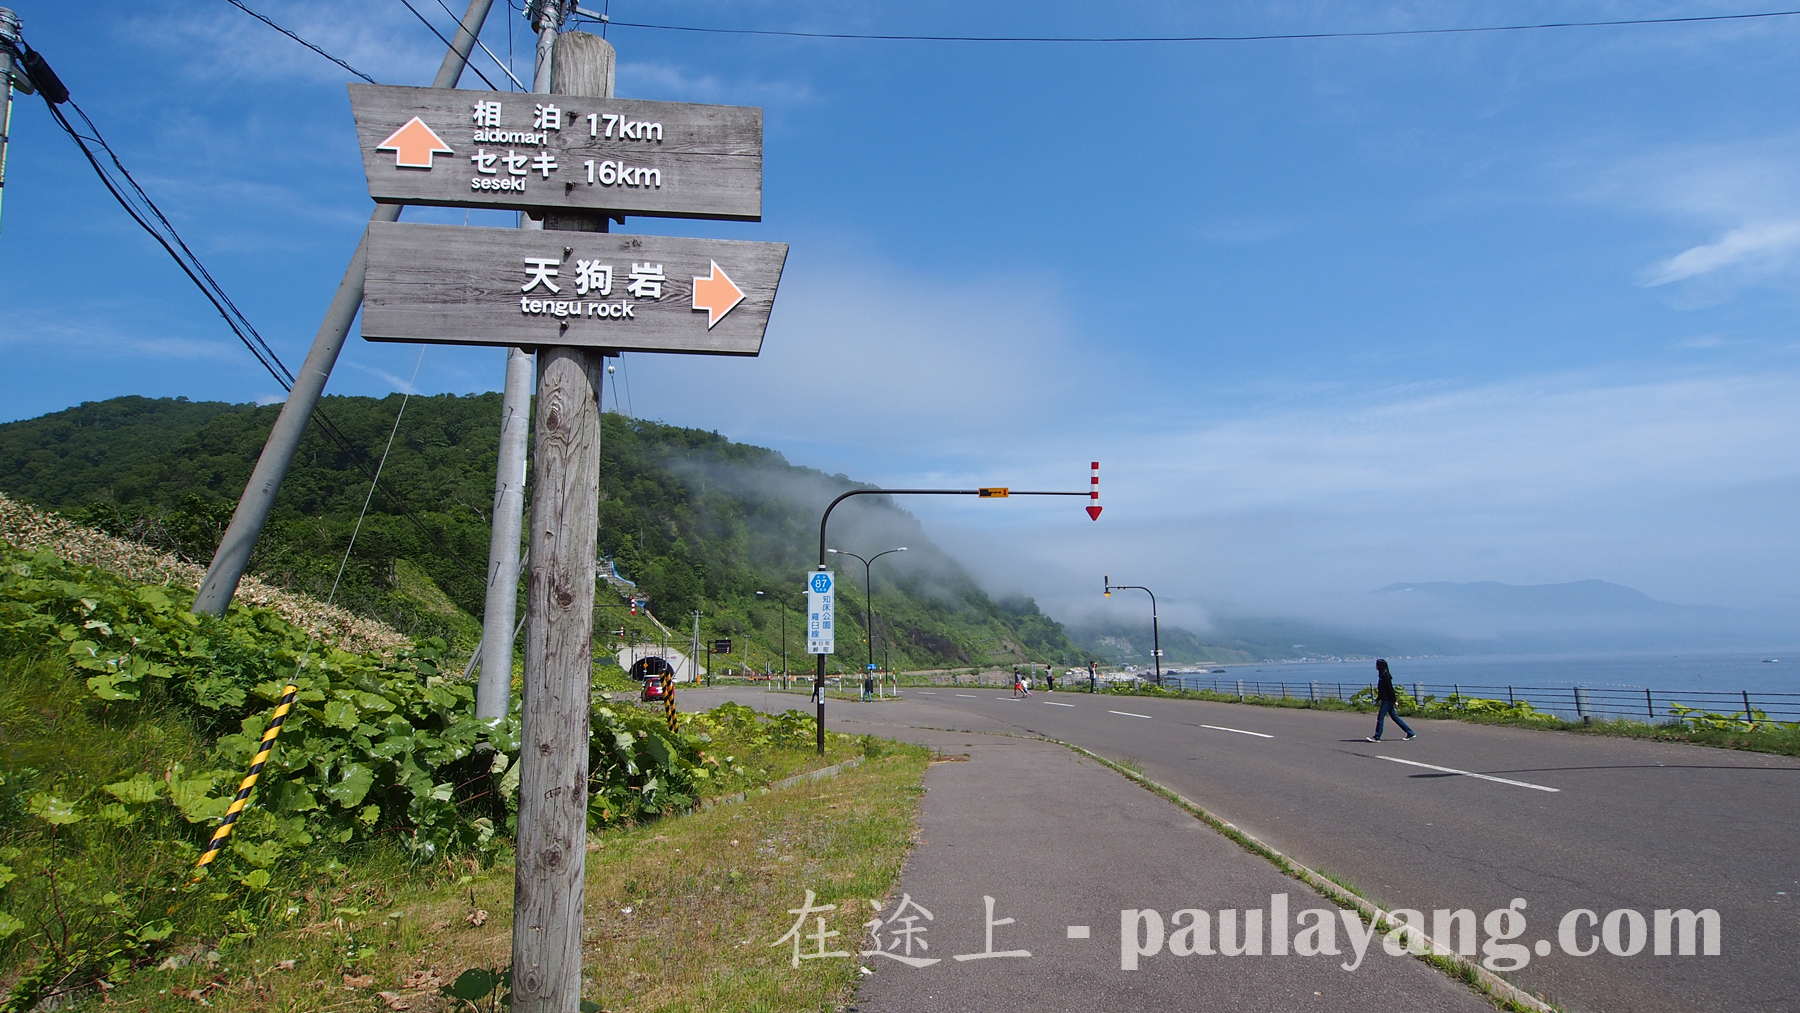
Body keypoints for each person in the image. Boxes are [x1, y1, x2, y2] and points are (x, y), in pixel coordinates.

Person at [1368, 658, 1416, 742]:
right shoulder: (1382, 675)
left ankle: (1377, 736)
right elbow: (1383, 690)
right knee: (1394, 717)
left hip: (1387, 700)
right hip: (1386, 699)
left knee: (1380, 717)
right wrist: (1378, 699)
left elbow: (1390, 689)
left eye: (1377, 664)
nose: (1376, 666)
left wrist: (1394, 700)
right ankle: (1410, 732)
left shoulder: (1385, 676)